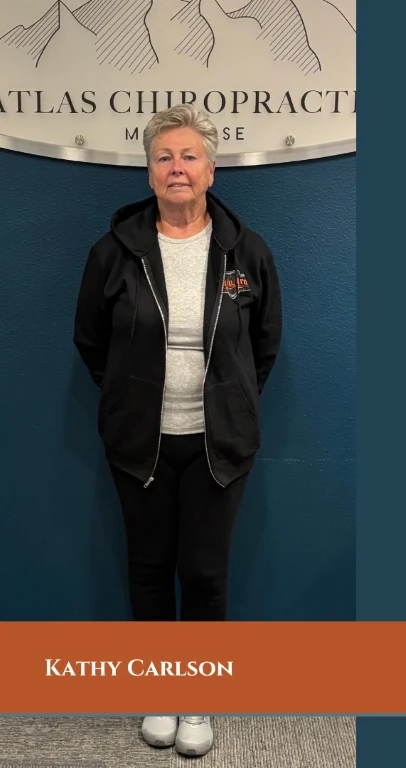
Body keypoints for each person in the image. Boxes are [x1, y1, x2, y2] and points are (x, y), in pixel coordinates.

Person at [73, 104, 282, 755]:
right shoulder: (114, 252)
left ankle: (197, 697)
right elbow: (91, 342)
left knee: (205, 573)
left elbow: (265, 344)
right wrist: (130, 398)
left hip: (220, 445)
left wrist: (232, 401)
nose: (177, 168)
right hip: (142, 443)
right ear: (149, 171)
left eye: (190, 156)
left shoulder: (246, 251)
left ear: (211, 170)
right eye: (164, 157)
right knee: (148, 567)